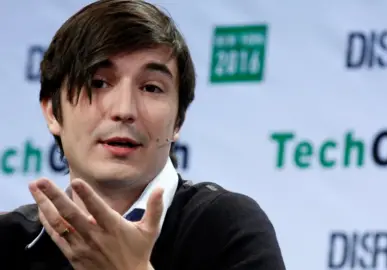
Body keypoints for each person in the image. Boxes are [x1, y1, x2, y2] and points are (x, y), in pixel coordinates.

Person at [0, 0, 286, 269]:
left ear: (178, 121)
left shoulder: (225, 227)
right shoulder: (8, 241)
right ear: (52, 112)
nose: (124, 110)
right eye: (98, 83)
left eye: (151, 88)